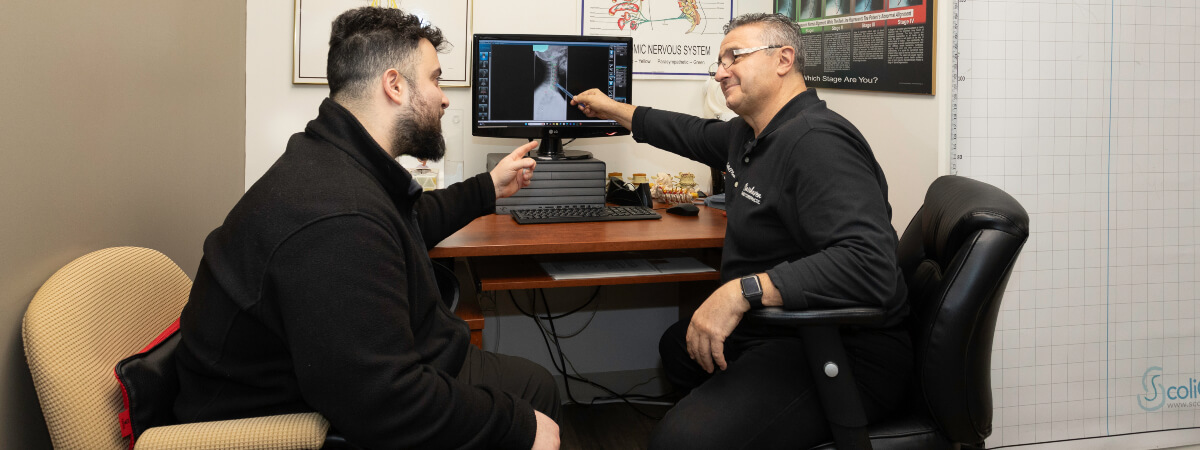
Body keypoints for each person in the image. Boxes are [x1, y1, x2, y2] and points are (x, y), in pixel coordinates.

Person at [173, 7, 561, 450]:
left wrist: (488, 188)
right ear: (394, 85)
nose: (446, 98)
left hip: (377, 366)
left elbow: (407, 222)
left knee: (534, 384)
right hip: (296, 418)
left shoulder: (335, 163)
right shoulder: (337, 217)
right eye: (436, 79)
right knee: (535, 395)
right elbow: (384, 403)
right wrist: (518, 426)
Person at [571, 13, 911, 449]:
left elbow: (870, 265)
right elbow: (687, 132)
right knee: (680, 346)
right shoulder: (752, 135)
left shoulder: (818, 142)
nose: (719, 71)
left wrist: (742, 292)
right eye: (718, 60)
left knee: (678, 442)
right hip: (782, 328)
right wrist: (614, 109)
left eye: (734, 56)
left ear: (783, 59)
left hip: (844, 350)